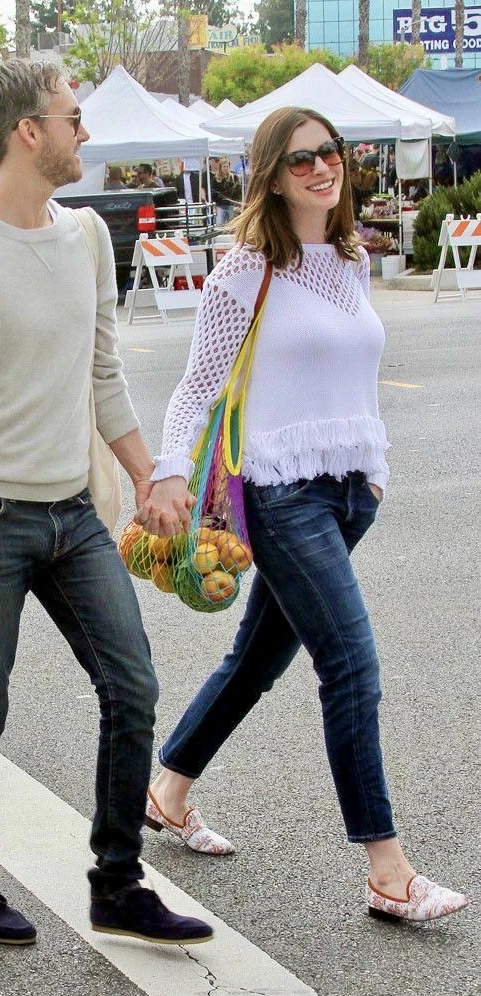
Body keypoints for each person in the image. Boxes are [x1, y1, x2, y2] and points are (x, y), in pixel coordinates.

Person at [0, 58, 212, 949]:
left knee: (134, 686)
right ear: (25, 133)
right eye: (72, 118)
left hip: (73, 513)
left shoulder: (83, 240)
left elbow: (103, 375)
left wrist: (154, 476)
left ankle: (116, 883)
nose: (86, 132)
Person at [136, 106, 468, 924]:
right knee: (351, 665)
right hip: (282, 495)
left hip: (351, 493)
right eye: (299, 161)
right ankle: (388, 872)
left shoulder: (350, 260)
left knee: (257, 658)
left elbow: (355, 378)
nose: (322, 169)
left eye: (331, 153)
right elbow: (195, 386)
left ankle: (168, 790)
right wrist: (169, 469)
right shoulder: (245, 270)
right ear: (269, 176)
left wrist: (377, 472)